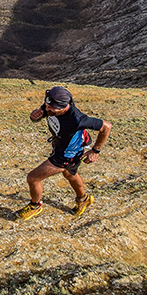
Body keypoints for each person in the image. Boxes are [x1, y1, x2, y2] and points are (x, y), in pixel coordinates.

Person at [17, 86, 111, 220]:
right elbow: (42, 113)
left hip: (67, 154)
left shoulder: (77, 119)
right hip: (64, 147)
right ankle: (83, 199)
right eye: (46, 105)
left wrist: (95, 151)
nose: (47, 108)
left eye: (51, 108)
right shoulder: (51, 103)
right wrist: (36, 116)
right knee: (69, 174)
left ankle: (35, 206)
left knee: (33, 178)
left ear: (63, 107)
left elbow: (106, 127)